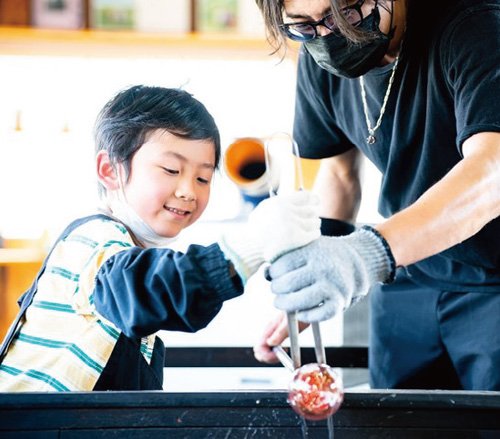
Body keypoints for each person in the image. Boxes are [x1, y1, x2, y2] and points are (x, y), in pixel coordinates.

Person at [0, 85, 320, 391]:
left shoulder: (127, 247)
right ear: (110, 170)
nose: (188, 191)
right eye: (170, 169)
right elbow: (152, 287)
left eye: (202, 177)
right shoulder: (93, 243)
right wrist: (254, 243)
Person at [253, 0, 500, 391]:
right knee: (397, 425)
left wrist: (364, 255)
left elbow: (491, 174)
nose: (328, 36)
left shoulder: (476, 27)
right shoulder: (322, 57)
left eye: (345, 16)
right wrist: (318, 283)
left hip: (491, 284)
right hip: (408, 275)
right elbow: (339, 174)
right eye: (302, 26)